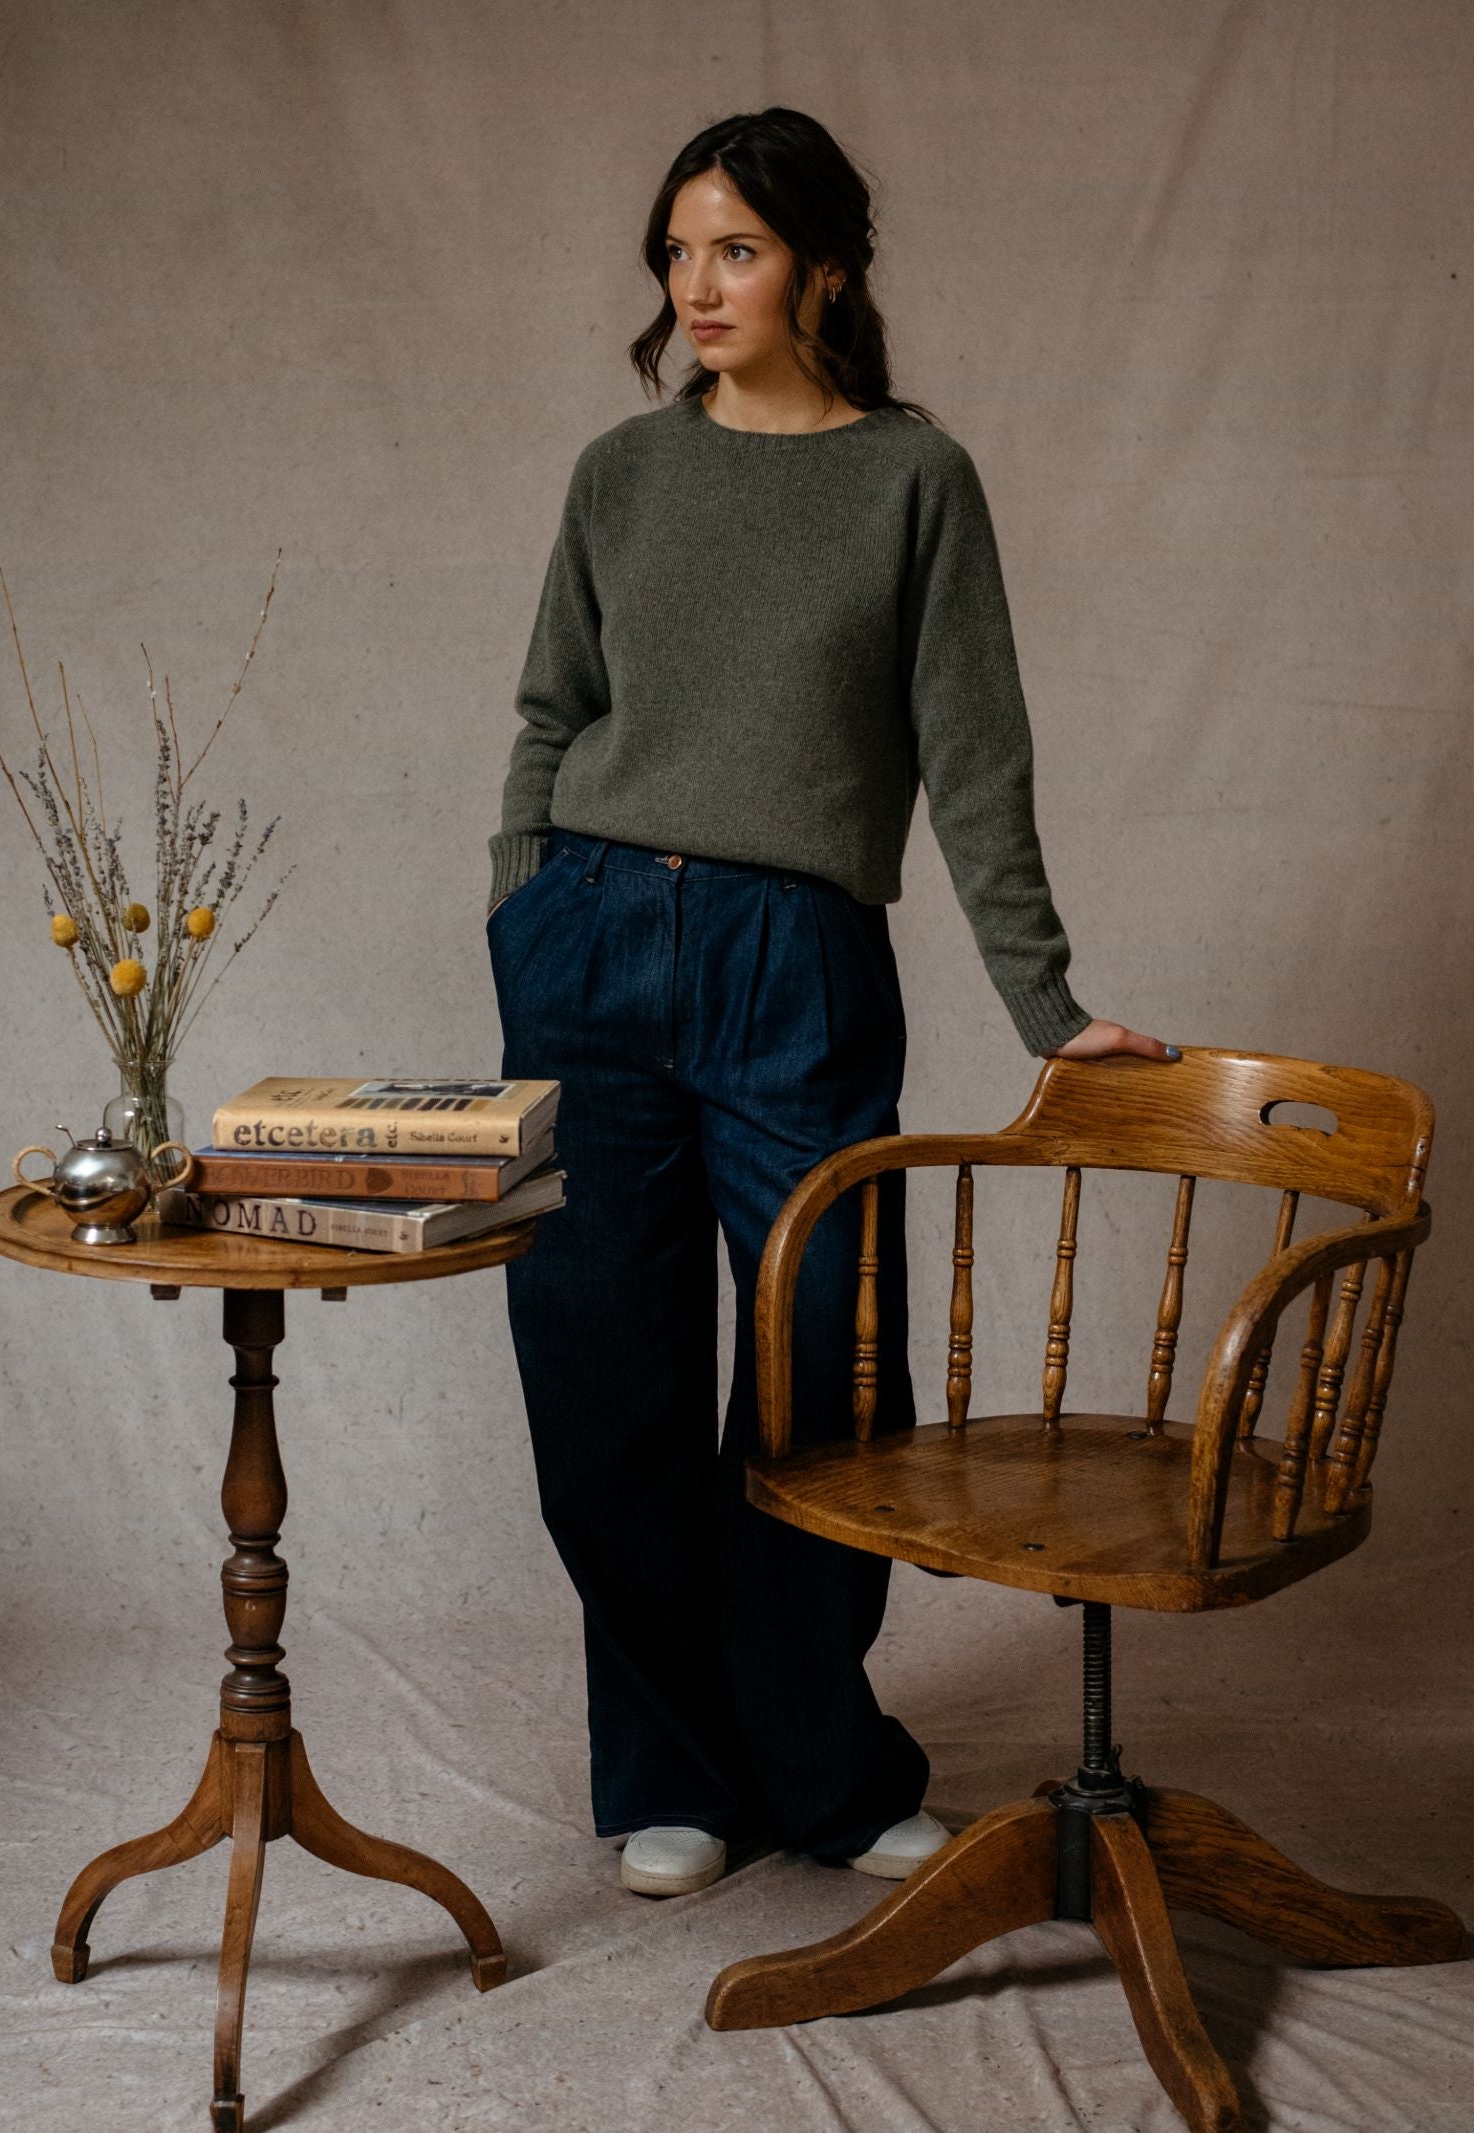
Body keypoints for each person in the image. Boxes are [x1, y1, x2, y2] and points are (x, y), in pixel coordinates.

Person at [485, 108, 1178, 1901]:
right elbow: (552, 708)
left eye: (732, 250)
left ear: (824, 270)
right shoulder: (620, 475)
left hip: (795, 960)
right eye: (677, 251)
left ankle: (822, 1759)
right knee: (603, 1386)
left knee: (824, 1364)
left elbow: (975, 756)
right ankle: (672, 1769)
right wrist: (520, 905)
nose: (693, 285)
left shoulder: (910, 480)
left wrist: (1046, 1002)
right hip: (590, 947)